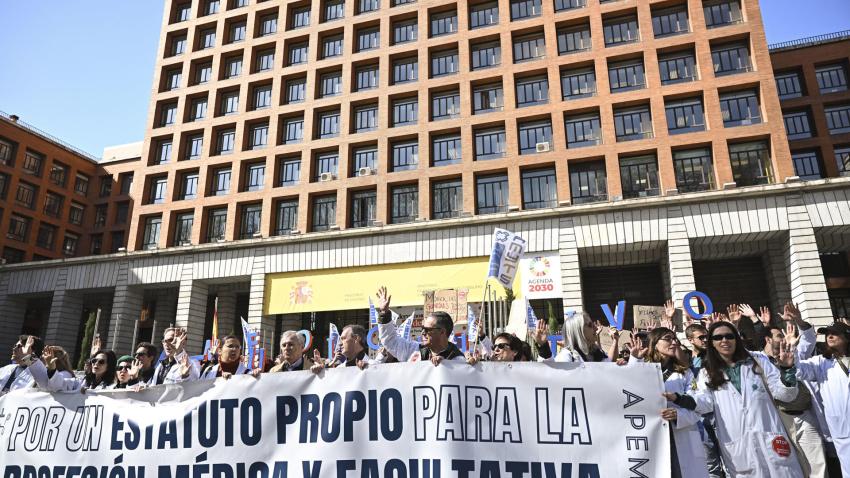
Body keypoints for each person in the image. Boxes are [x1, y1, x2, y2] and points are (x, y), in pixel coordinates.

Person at [691, 321, 803, 477]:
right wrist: (681, 399)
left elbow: (785, 394)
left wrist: (786, 370)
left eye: (729, 336)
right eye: (718, 337)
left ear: (736, 339)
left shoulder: (758, 360)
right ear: (712, 343)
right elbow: (704, 403)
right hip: (738, 448)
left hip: (772, 439)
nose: (724, 340)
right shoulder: (706, 373)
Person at [751, 321, 829, 478]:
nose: (784, 338)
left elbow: (808, 341)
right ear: (768, 340)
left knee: (817, 463)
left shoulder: (792, 353)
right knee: (791, 466)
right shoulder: (757, 360)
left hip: (805, 416)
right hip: (781, 419)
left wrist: (798, 321)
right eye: (779, 335)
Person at [637, 328, 708, 478]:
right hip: (650, 436)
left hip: (680, 435)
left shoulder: (685, 372)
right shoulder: (641, 369)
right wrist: (632, 362)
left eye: (675, 338)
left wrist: (678, 414)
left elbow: (700, 406)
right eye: (668, 338)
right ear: (655, 343)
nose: (674, 342)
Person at [791, 321, 850, 477]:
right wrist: (792, 349)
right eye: (827, 333)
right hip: (842, 429)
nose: (829, 336)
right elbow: (798, 370)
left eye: (835, 332)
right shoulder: (820, 362)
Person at [375, 286, 473, 365]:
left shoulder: (458, 360)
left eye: (427, 329)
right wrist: (384, 313)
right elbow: (390, 341)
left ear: (442, 332)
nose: (423, 333)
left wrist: (446, 366)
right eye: (422, 329)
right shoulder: (413, 350)